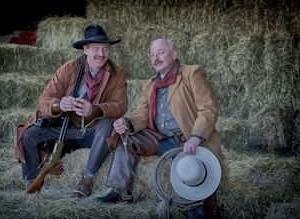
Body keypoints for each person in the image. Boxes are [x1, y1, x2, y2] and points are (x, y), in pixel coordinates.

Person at [95, 38, 228, 219]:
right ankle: (120, 191)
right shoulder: (150, 84)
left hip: (185, 138)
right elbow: (142, 112)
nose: (155, 58)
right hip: (159, 136)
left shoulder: (192, 74)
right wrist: (127, 122)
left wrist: (196, 137)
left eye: (160, 53)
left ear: (174, 54)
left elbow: (208, 108)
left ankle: (197, 208)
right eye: (152, 54)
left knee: (189, 168)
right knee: (127, 138)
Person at [13, 24, 128, 198]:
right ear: (85, 49)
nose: (101, 54)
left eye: (105, 49)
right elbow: (45, 99)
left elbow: (121, 106)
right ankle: (31, 182)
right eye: (96, 49)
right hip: (66, 129)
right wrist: (60, 105)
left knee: (107, 125)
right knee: (29, 135)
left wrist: (95, 109)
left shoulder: (117, 72)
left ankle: (86, 181)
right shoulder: (68, 69)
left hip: (92, 131)